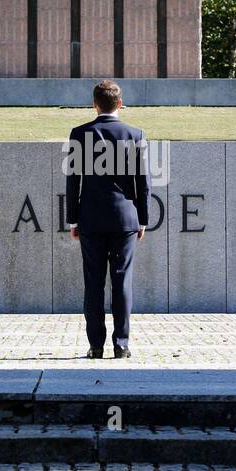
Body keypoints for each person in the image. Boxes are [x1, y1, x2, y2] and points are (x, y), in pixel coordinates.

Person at [65, 80, 149, 359]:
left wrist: (73, 220)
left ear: (94, 104)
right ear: (120, 104)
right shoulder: (134, 134)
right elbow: (143, 183)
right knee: (122, 281)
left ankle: (96, 346)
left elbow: (72, 181)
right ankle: (121, 344)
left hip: (90, 219)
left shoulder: (79, 133)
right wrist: (143, 220)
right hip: (125, 219)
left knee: (94, 283)